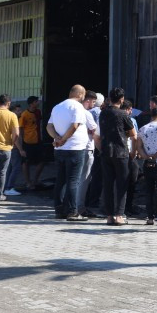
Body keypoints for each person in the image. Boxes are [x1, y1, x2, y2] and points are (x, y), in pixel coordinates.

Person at [47, 85, 98, 221]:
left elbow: (49, 126)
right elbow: (75, 125)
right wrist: (63, 139)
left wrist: (57, 139)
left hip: (59, 149)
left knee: (61, 180)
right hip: (75, 148)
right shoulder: (78, 107)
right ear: (81, 95)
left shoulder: (57, 106)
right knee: (73, 181)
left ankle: (59, 210)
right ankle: (72, 211)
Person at [97, 89, 137, 226]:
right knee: (121, 185)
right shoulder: (123, 114)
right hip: (121, 152)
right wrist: (134, 152)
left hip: (106, 152)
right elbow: (133, 134)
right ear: (121, 99)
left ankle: (109, 216)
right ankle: (119, 215)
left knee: (108, 184)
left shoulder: (102, 113)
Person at [136, 106, 157, 226]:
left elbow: (139, 147)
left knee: (149, 191)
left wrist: (147, 156)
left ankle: (150, 218)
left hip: (147, 163)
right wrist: (156, 156)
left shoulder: (142, 129)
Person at [80, 92, 105, 217]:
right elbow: (96, 132)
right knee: (93, 176)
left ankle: (81, 201)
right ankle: (90, 202)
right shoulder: (97, 113)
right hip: (93, 147)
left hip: (82, 147)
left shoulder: (84, 111)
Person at [19, 96, 47, 192]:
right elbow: (20, 129)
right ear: (31, 104)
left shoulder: (38, 112)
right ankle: (28, 182)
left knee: (42, 161)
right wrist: (22, 142)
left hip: (38, 141)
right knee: (26, 162)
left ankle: (35, 180)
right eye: (36, 101)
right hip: (27, 142)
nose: (38, 102)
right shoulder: (24, 115)